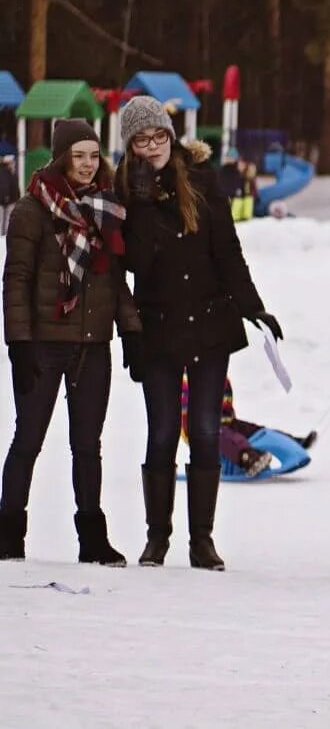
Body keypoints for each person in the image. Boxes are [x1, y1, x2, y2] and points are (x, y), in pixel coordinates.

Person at [115, 95, 282, 571]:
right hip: (158, 327)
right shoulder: (128, 191)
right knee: (163, 430)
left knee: (207, 429)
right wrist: (144, 202)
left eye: (159, 136)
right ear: (131, 147)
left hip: (210, 322)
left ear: (170, 135)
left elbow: (228, 251)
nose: (153, 147)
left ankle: (202, 541)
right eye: (141, 141)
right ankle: (157, 538)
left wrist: (255, 308)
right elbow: (133, 264)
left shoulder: (205, 181)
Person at [0, 120, 141, 565]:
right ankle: (7, 532)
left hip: (92, 345)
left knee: (87, 445)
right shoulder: (31, 210)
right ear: (62, 157)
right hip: (42, 345)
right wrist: (18, 344)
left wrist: (131, 331)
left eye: (93, 156)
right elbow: (16, 280)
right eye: (78, 155)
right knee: (28, 439)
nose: (86, 164)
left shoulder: (106, 209)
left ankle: (92, 539)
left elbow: (114, 281)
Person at [180, 374, 316, 479]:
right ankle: (248, 458)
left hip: (226, 421)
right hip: (199, 429)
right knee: (225, 437)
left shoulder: (215, 368)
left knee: (255, 430)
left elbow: (225, 405)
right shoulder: (188, 377)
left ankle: (292, 442)